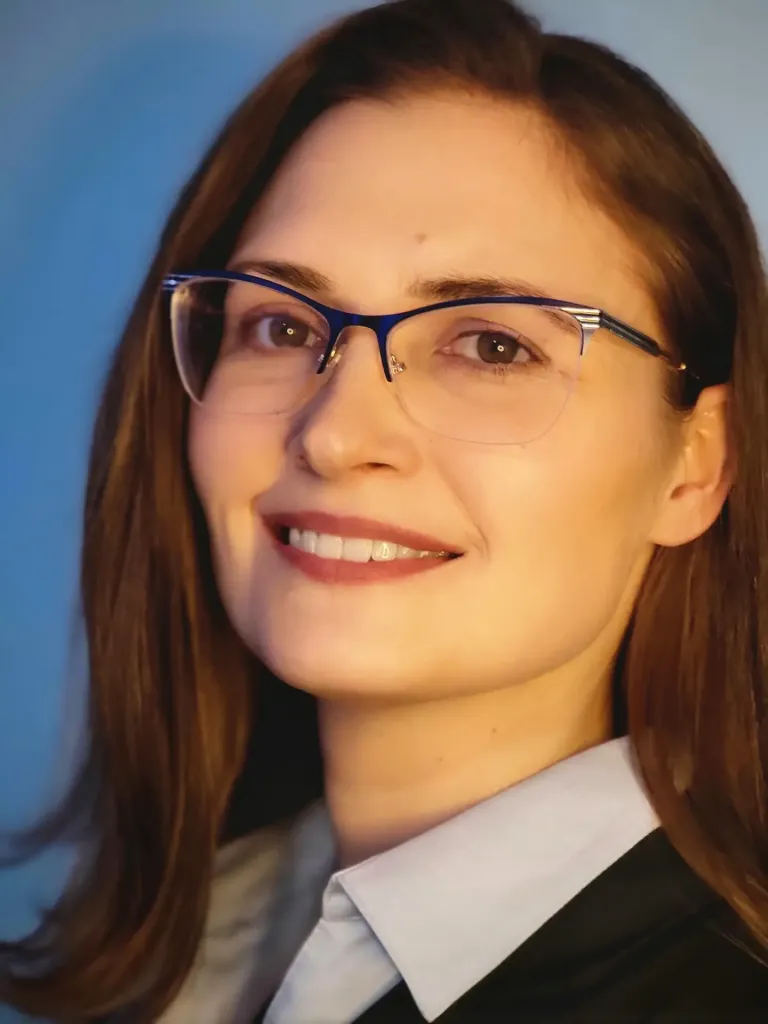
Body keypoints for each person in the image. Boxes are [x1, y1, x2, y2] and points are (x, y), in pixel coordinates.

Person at [2, 0, 768, 1020]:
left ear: (695, 465)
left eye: (493, 345)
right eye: (279, 325)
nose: (332, 432)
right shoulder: (202, 941)